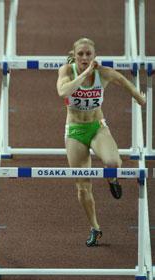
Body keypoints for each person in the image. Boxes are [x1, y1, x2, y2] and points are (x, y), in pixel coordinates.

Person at [56, 38, 146, 247]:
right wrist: (85, 74)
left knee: (114, 163)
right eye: (81, 54)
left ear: (94, 55)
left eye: (89, 54)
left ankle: (112, 180)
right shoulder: (66, 71)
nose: (85, 58)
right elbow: (63, 91)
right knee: (83, 188)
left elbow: (123, 81)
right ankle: (95, 228)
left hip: (97, 127)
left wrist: (138, 97)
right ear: (75, 55)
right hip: (75, 132)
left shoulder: (103, 73)